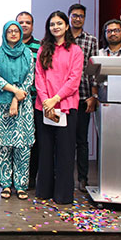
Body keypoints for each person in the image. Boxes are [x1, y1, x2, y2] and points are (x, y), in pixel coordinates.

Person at [34, 11, 83, 204]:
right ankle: (44, 191)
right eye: (52, 24)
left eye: (59, 23)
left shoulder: (75, 51)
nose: (56, 27)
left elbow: (74, 80)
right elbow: (39, 77)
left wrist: (55, 99)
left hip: (66, 107)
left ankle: (63, 195)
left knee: (65, 152)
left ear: (67, 26)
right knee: (45, 151)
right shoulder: (43, 49)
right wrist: (46, 100)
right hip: (44, 107)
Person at [0, 21, 35, 200]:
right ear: (5, 34)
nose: (13, 34)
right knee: (2, 146)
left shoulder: (27, 53)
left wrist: (16, 98)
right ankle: (5, 184)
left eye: (16, 31)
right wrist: (14, 91)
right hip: (0, 104)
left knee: (22, 147)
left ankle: (21, 185)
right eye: (10, 31)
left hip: (23, 104)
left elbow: (30, 77)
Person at [68, 4, 98, 192]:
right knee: (64, 140)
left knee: (81, 140)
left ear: (84, 18)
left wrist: (93, 96)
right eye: (74, 15)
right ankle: (62, 177)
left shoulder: (91, 40)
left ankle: (83, 178)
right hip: (63, 97)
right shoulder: (63, 38)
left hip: (83, 95)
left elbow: (93, 71)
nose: (77, 19)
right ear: (69, 17)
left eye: (81, 16)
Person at [16, 11, 41, 190]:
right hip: (12, 102)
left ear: (32, 26)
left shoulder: (40, 47)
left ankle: (30, 177)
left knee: (33, 142)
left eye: (28, 22)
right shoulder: (8, 46)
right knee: (13, 141)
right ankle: (14, 177)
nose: (24, 25)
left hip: (33, 101)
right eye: (21, 22)